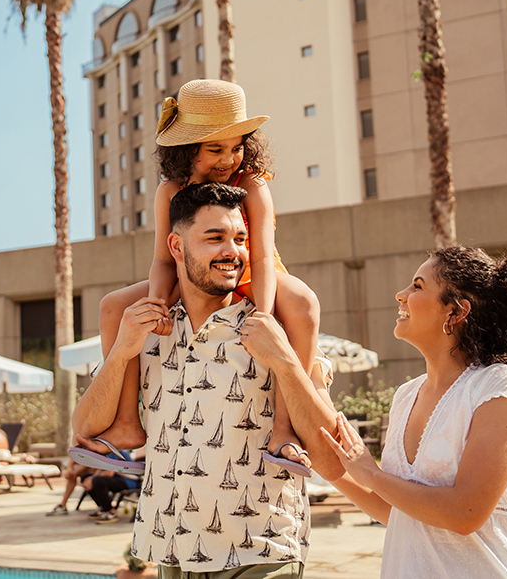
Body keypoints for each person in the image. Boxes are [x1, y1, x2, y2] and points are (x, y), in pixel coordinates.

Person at [241, 246, 507, 578]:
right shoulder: (407, 396)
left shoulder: (499, 386)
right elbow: (393, 510)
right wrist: (306, 378)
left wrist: (371, 474)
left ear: (455, 312)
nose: (401, 294)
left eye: (418, 286)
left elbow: (465, 513)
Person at [73, 182, 321, 577]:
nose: (233, 251)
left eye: (240, 238)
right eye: (215, 238)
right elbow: (85, 427)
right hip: (171, 547)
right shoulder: (146, 330)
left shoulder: (274, 327)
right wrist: (121, 351)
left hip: (260, 549)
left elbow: (323, 440)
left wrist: (287, 363)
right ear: (175, 247)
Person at [84, 78, 321, 467]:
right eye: (216, 149)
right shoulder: (170, 191)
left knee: (302, 303)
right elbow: (164, 260)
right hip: (188, 274)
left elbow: (261, 257)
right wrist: (156, 306)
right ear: (186, 150)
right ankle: (127, 422)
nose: (228, 159)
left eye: (237, 147)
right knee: (115, 308)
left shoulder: (252, 184)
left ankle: (284, 429)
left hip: (249, 270)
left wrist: (263, 312)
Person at [83, 448, 141, 524]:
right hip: (118, 477)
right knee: (86, 478)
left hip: (129, 480)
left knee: (97, 481)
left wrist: (92, 480)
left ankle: (110, 511)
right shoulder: (105, 449)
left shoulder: (113, 450)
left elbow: (109, 473)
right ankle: (103, 507)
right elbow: (101, 469)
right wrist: (90, 479)